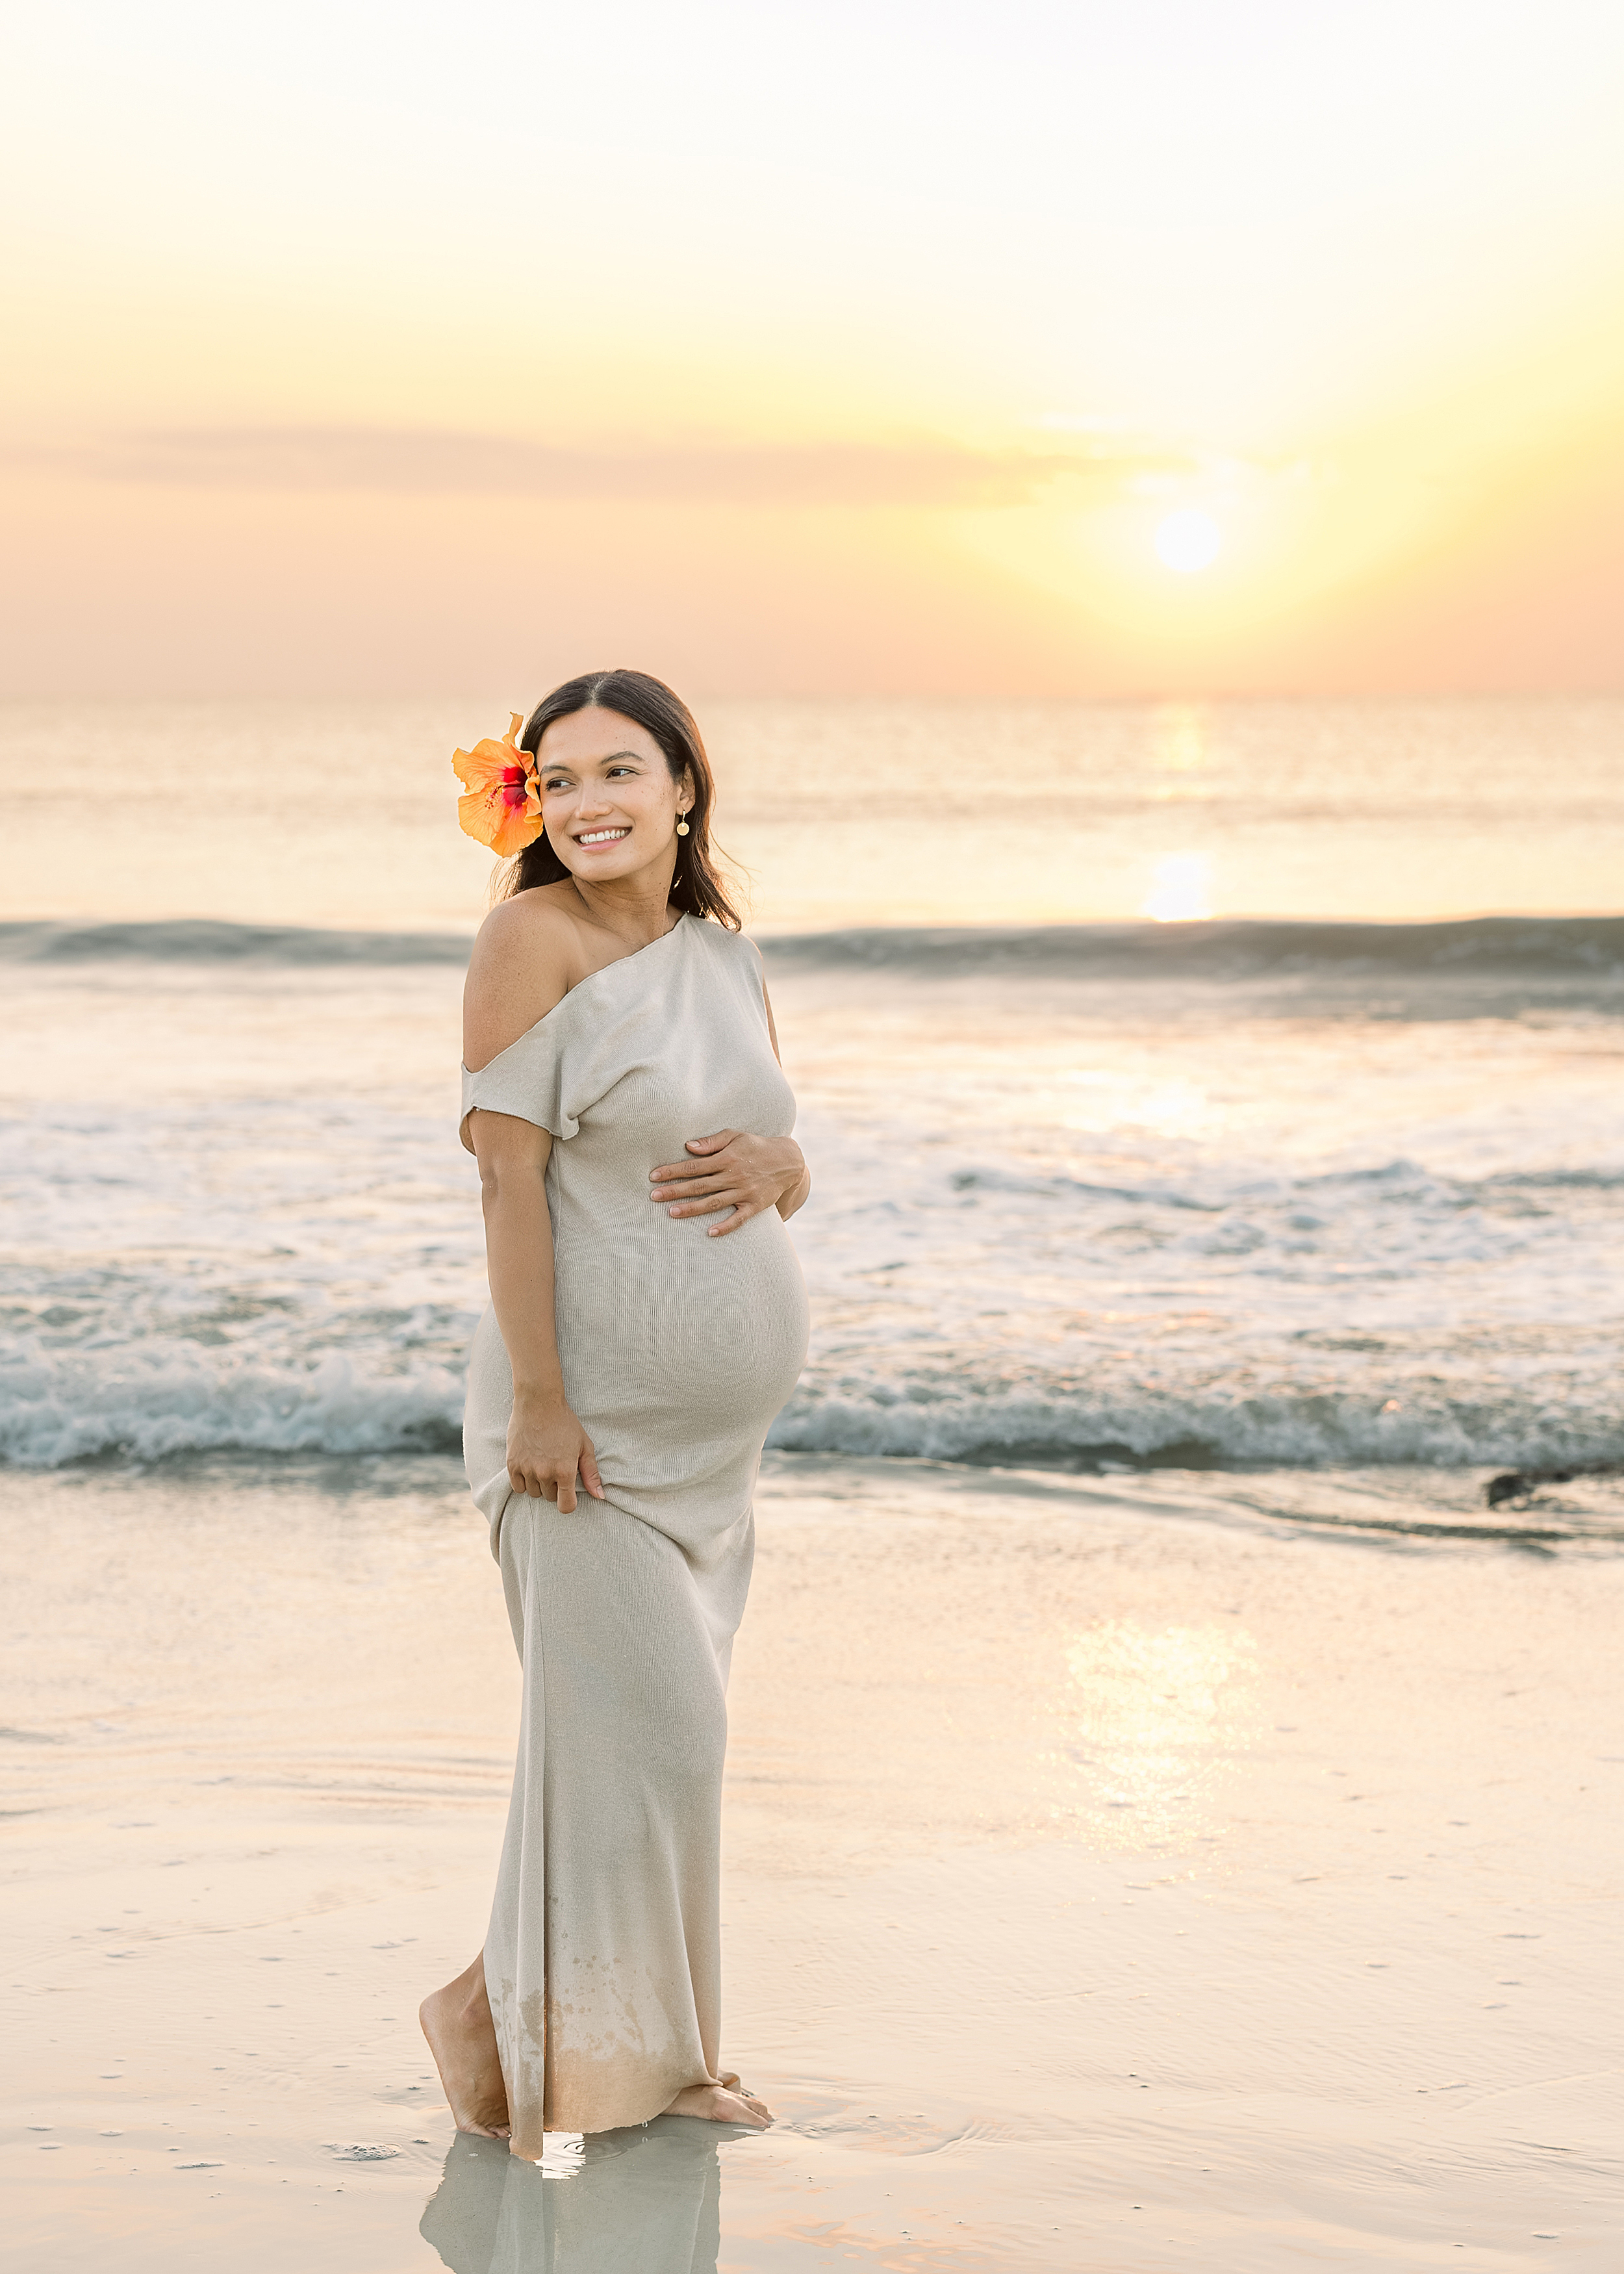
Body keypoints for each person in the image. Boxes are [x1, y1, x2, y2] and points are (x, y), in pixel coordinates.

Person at [420, 669, 811, 2158]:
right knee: (644, 1736)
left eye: (617, 772)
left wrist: (784, 1170)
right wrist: (539, 1403)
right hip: (580, 1435)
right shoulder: (526, 938)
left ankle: (637, 2047)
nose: (587, 804)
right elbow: (507, 1179)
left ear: (683, 789)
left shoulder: (718, 949)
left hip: (710, 1454)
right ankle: (571, 2051)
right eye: (559, 778)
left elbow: (776, 1145)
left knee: (653, 1749)